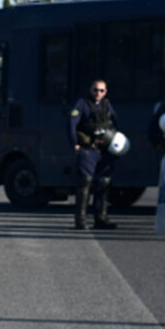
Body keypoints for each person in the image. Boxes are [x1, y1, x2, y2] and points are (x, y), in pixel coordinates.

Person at [68, 79, 119, 230]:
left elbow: (115, 124)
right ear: (90, 90)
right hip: (87, 149)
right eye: (95, 90)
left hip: (104, 150)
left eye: (101, 90)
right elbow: (71, 124)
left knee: (104, 182)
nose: (98, 93)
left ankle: (101, 219)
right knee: (85, 182)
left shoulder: (107, 105)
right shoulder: (82, 104)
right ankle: (81, 221)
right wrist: (74, 143)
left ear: (106, 92)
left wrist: (116, 144)